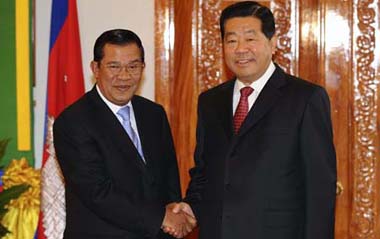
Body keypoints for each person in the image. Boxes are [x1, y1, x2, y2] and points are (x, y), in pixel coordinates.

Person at [169, 1, 337, 239]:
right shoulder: (210, 101)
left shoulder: (305, 98)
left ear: (273, 42)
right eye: (231, 40)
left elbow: (320, 190)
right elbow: (205, 171)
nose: (240, 49)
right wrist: (191, 206)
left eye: (250, 38)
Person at [53, 29, 195, 239]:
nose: (124, 76)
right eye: (114, 66)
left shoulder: (153, 113)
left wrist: (175, 214)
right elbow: (98, 192)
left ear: (143, 68)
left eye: (133, 66)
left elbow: (169, 180)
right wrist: (161, 218)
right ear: (96, 68)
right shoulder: (73, 121)